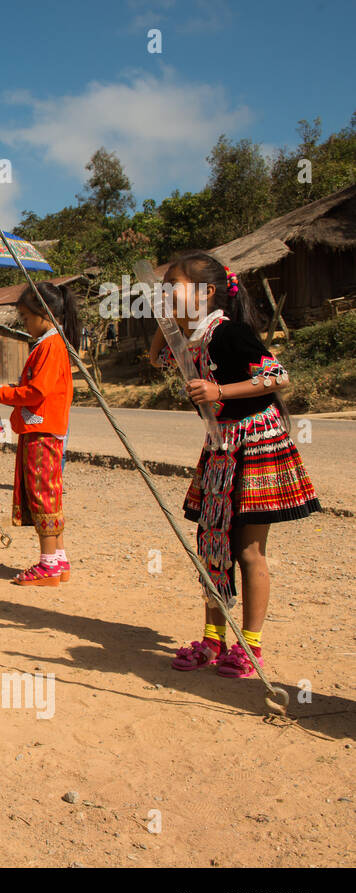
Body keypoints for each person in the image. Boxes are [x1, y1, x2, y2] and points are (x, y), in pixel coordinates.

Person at [147, 252, 319, 677]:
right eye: (164, 289)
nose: (168, 294)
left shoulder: (228, 333)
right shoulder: (192, 339)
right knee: (212, 547)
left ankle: (250, 646)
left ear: (206, 294)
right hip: (221, 447)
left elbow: (277, 376)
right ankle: (212, 639)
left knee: (247, 549)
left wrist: (218, 390)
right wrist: (166, 319)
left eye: (175, 287)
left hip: (256, 444)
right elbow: (156, 358)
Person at [0, 282, 79, 585]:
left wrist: (2, 392)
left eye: (26, 317)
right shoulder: (49, 344)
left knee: (43, 493)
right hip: (40, 428)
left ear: (45, 313)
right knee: (48, 491)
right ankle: (58, 558)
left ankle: (48, 563)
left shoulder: (51, 345)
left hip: (43, 430)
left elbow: (37, 390)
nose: (24, 323)